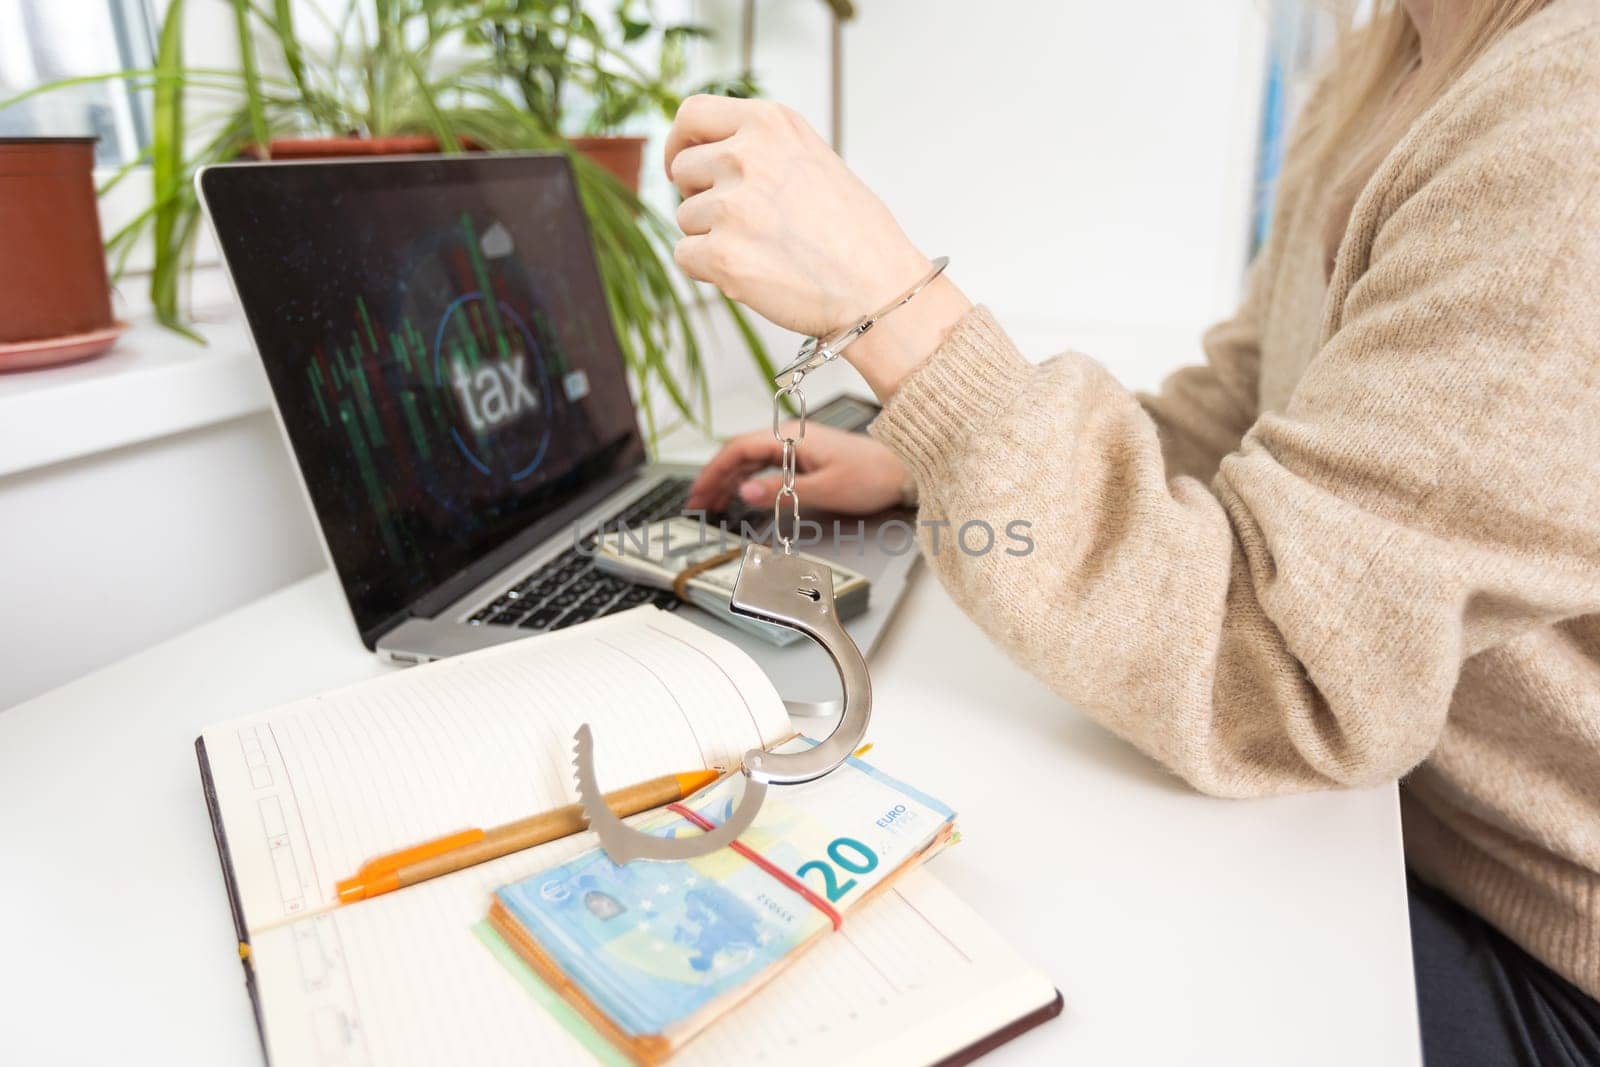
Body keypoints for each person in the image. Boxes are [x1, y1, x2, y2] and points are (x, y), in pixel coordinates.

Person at [665, 0, 1600, 1062]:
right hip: (1400, 831)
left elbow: (1275, 670)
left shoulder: (1572, 122)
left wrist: (895, 310)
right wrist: (925, 448)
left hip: (1539, 953)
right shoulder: (1385, 67)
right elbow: (1240, 410)